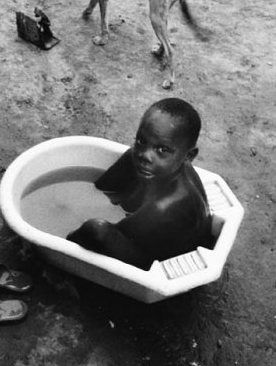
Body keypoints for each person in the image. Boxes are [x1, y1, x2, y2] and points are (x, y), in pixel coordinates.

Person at [67, 98, 212, 270]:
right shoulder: (151, 162)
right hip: (147, 223)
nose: (146, 155)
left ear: (189, 156)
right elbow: (101, 189)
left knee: (95, 229)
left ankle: (56, 250)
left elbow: (107, 235)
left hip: (157, 262)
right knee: (132, 156)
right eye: (141, 140)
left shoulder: (165, 207)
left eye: (162, 150)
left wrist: (66, 236)